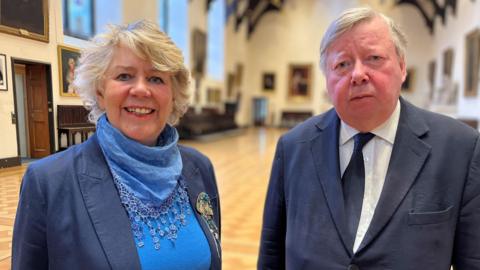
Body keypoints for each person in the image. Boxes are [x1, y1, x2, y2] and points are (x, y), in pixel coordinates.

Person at [258, 7, 480, 269]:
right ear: (327, 79)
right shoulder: (293, 147)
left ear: (402, 66)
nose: (358, 74)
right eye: (342, 64)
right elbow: (272, 253)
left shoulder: (459, 148)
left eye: (374, 58)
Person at [12, 20, 221, 270]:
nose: (141, 89)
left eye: (156, 78)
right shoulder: (48, 182)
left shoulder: (199, 168)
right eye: (125, 76)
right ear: (100, 91)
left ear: (173, 94)